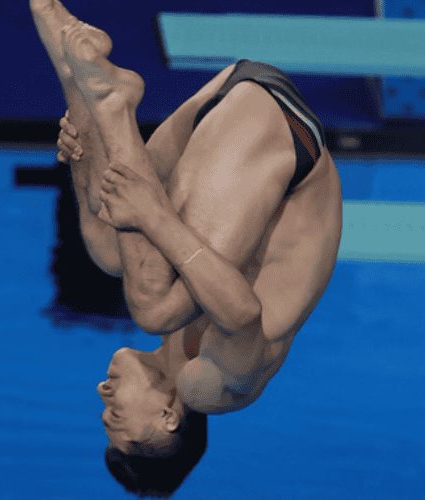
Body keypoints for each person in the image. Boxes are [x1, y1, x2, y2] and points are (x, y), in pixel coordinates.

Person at [30, 1, 342, 496]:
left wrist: (79, 155)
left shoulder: (178, 349)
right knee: (154, 306)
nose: (103, 393)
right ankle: (112, 105)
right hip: (282, 132)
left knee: (111, 256)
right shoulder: (214, 390)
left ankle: (83, 93)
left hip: (231, 103)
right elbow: (241, 314)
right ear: (168, 418)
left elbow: (119, 220)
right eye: (115, 415)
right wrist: (150, 215)